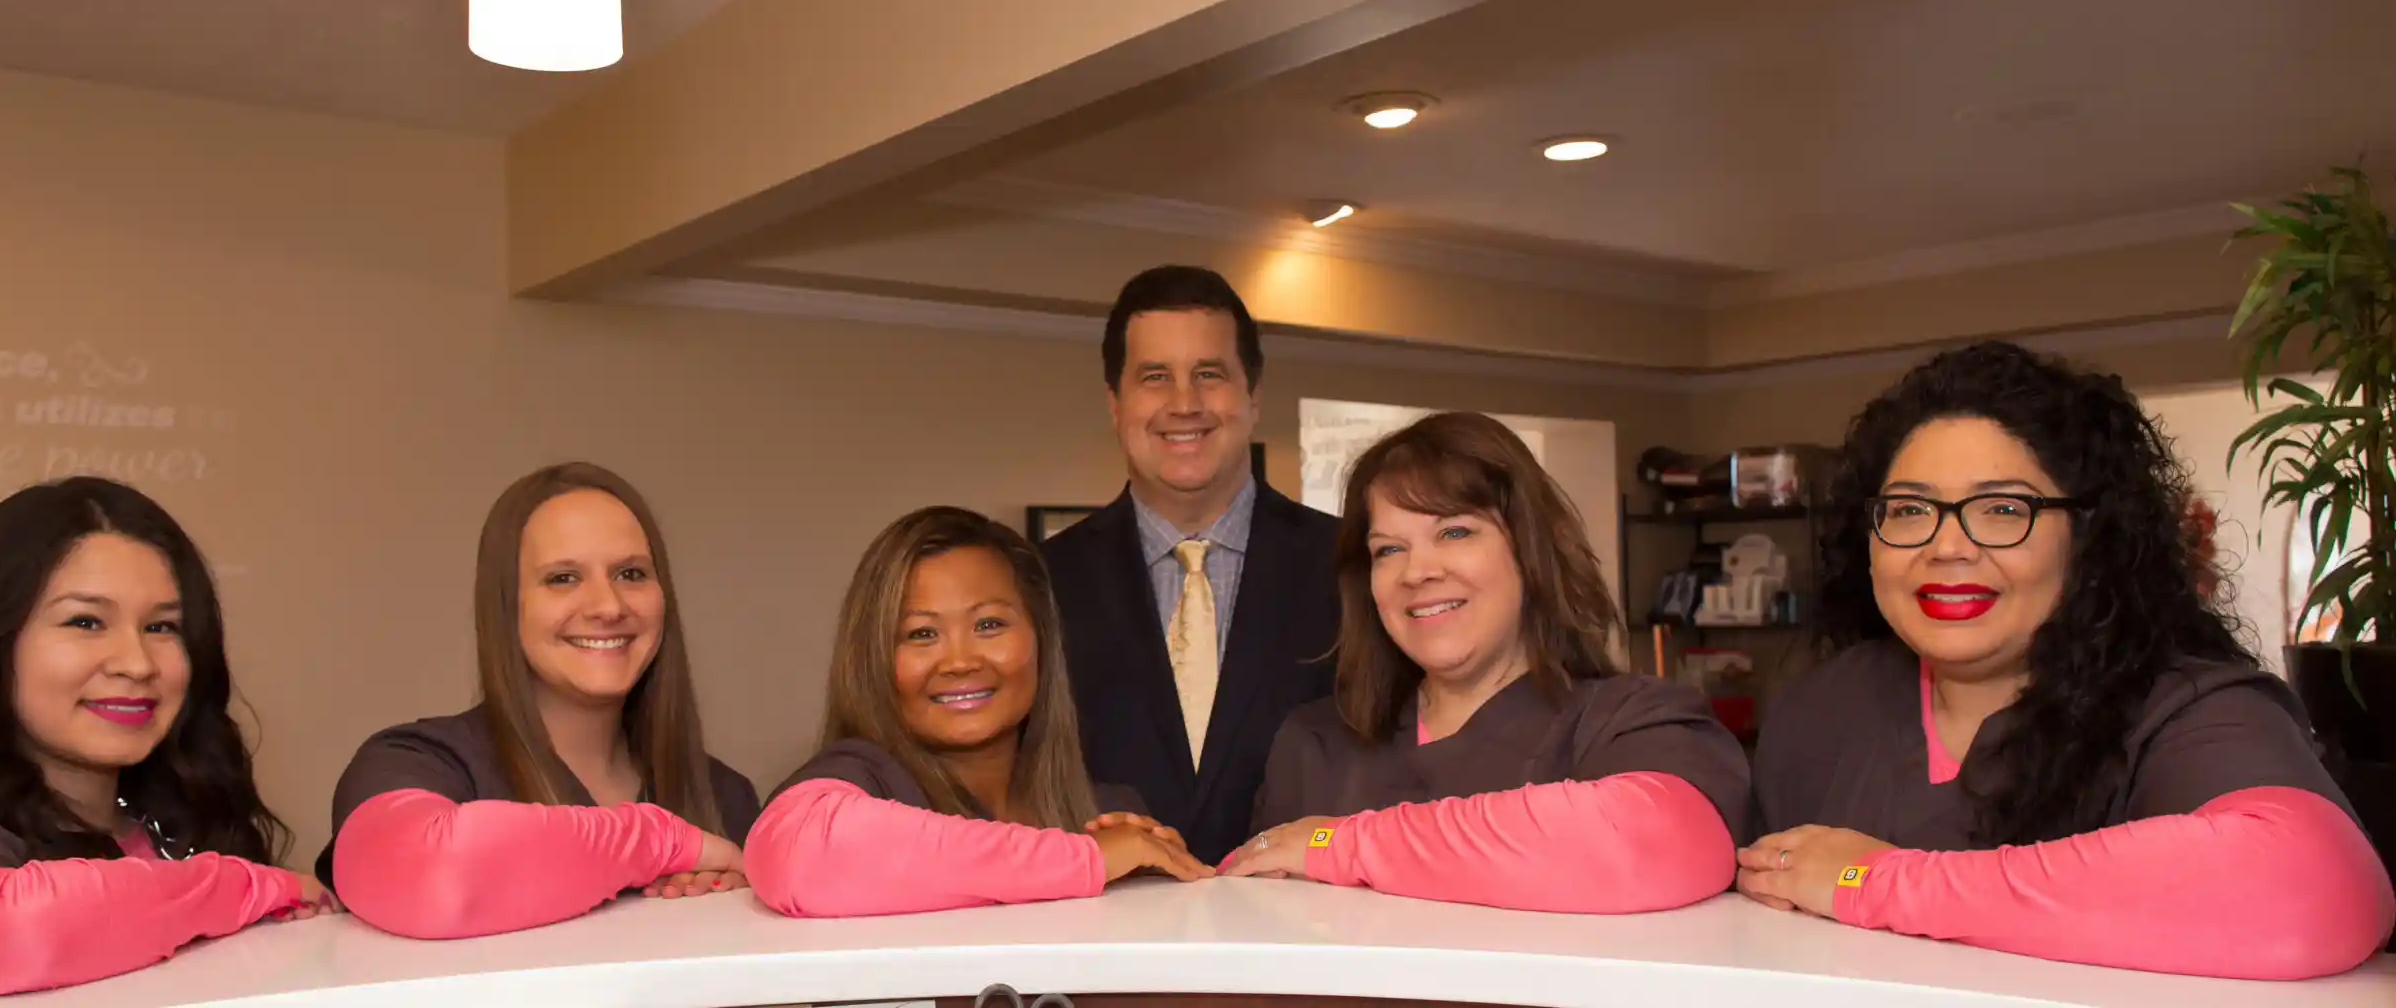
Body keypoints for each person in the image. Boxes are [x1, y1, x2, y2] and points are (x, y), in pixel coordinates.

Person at [1740, 341, 2395, 978]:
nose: (1947, 546)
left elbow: (2313, 890)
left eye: (2002, 509)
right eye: (1910, 509)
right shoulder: (1820, 707)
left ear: (2089, 537)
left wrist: (1871, 880)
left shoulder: (2191, 707)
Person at [1222, 413, 1748, 911]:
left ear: (1529, 550)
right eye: (1388, 550)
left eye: (1455, 532)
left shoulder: (1630, 723)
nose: (1417, 571)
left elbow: (1655, 846)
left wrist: (1340, 844)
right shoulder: (1315, 744)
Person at [0, 478, 329, 1001]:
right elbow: (11, 932)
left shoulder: (184, 826)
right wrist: (249, 886)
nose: (137, 664)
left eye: (162, 628)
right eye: (86, 621)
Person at [322, 463, 760, 938]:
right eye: (563, 578)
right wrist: (659, 843)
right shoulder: (415, 764)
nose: (608, 606)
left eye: (630, 573)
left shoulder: (725, 795)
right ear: (508, 606)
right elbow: (428, 877)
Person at [747, 507, 1209, 917]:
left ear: (1040, 639)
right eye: (921, 634)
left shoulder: (1110, 811)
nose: (961, 661)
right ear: (874, 659)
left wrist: (1160, 883)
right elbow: (800, 855)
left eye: (989, 625)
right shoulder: (859, 780)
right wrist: (1083, 862)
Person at [1043, 265, 1342, 865]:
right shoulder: (1040, 580)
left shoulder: (1352, 565)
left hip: (1312, 932)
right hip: (1107, 936)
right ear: (1115, 403)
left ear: (1252, 396)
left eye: (1209, 374)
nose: (1185, 403)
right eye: (1155, 377)